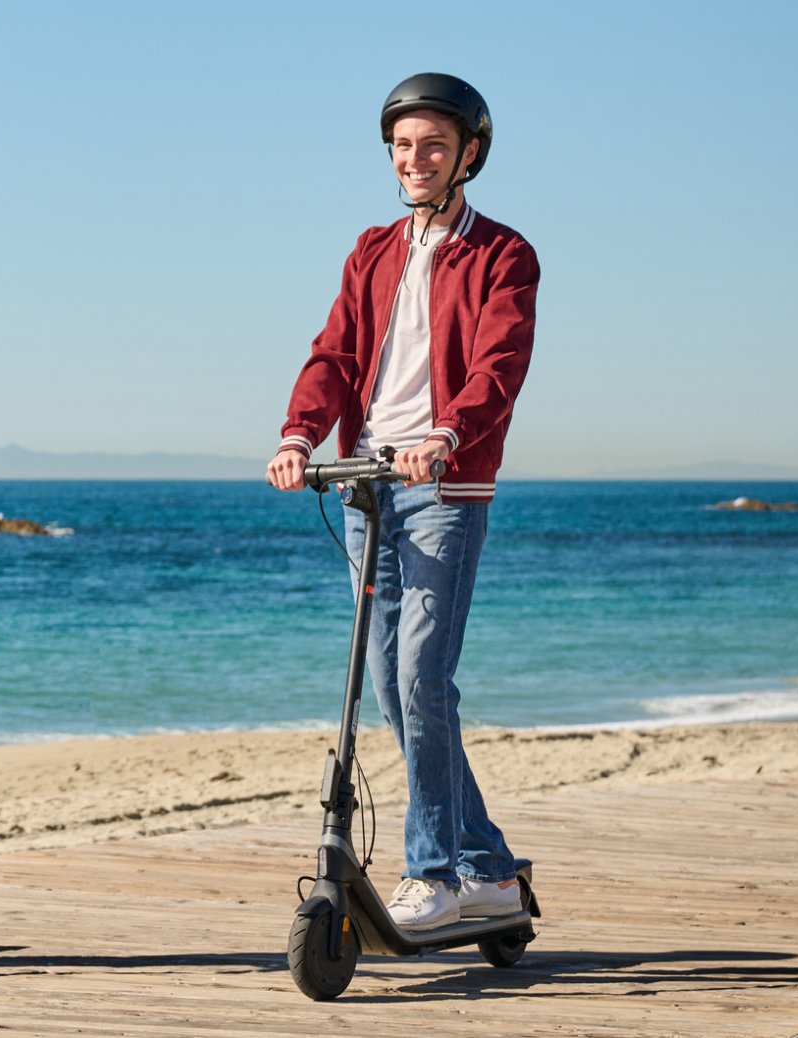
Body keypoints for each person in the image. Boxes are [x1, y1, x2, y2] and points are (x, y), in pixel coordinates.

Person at [265, 74, 540, 930]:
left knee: (423, 679)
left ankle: (434, 874)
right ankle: (490, 869)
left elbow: (499, 366)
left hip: (443, 488)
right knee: (394, 688)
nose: (413, 159)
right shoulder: (373, 249)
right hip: (367, 488)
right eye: (402, 145)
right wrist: (299, 435)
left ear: (469, 155)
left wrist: (448, 435)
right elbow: (336, 352)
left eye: (430, 146)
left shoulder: (505, 254)